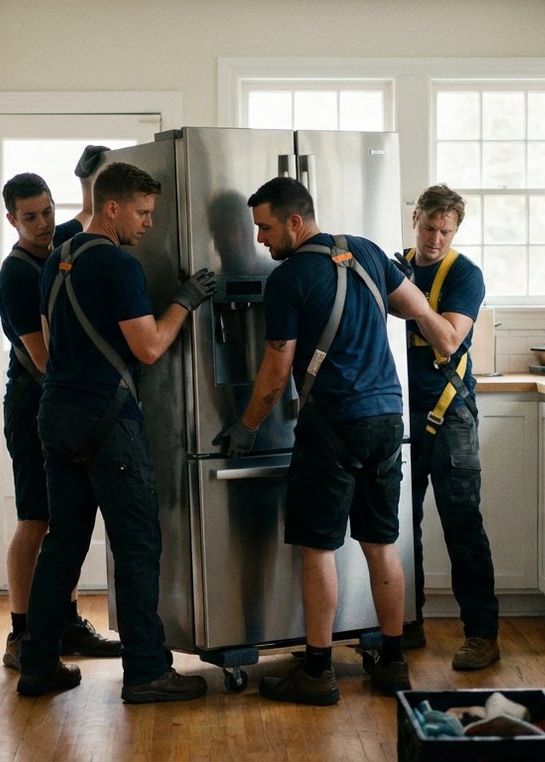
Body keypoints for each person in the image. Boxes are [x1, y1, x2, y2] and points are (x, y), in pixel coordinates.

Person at [216, 177, 459, 705]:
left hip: (332, 426)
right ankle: (392, 663)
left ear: (295, 223)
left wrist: (247, 427)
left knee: (318, 548)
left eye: (265, 227)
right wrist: (443, 333)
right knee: (381, 543)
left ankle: (318, 671)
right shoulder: (366, 252)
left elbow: (277, 371)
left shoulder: (289, 279)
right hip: (387, 419)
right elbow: (413, 305)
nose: (260, 238)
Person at [17, 161, 217, 704]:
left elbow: (57, 345)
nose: (149, 223)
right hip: (108, 421)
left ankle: (36, 663)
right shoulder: (118, 266)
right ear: (112, 208)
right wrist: (184, 302)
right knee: (136, 544)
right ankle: (148, 670)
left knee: (63, 543)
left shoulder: (58, 258)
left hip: (56, 414)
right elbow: (149, 347)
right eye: (143, 212)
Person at [0, 146, 122, 671]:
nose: (44, 224)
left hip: (62, 403)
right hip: (33, 404)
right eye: (31, 217)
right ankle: (21, 634)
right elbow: (45, 360)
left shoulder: (63, 242)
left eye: (48, 211)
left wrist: (98, 173)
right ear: (12, 219)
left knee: (66, 521)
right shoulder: (18, 275)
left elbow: (90, 216)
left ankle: (63, 623)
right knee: (37, 518)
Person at [392, 184, 499, 670]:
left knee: (462, 523)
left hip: (450, 412)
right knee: (400, 524)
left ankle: (481, 633)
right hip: (397, 411)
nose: (436, 238)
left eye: (446, 231)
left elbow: (451, 339)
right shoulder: (395, 263)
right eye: (429, 227)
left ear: (456, 231)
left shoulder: (465, 275)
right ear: (415, 219)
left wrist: (411, 300)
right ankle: (407, 621)